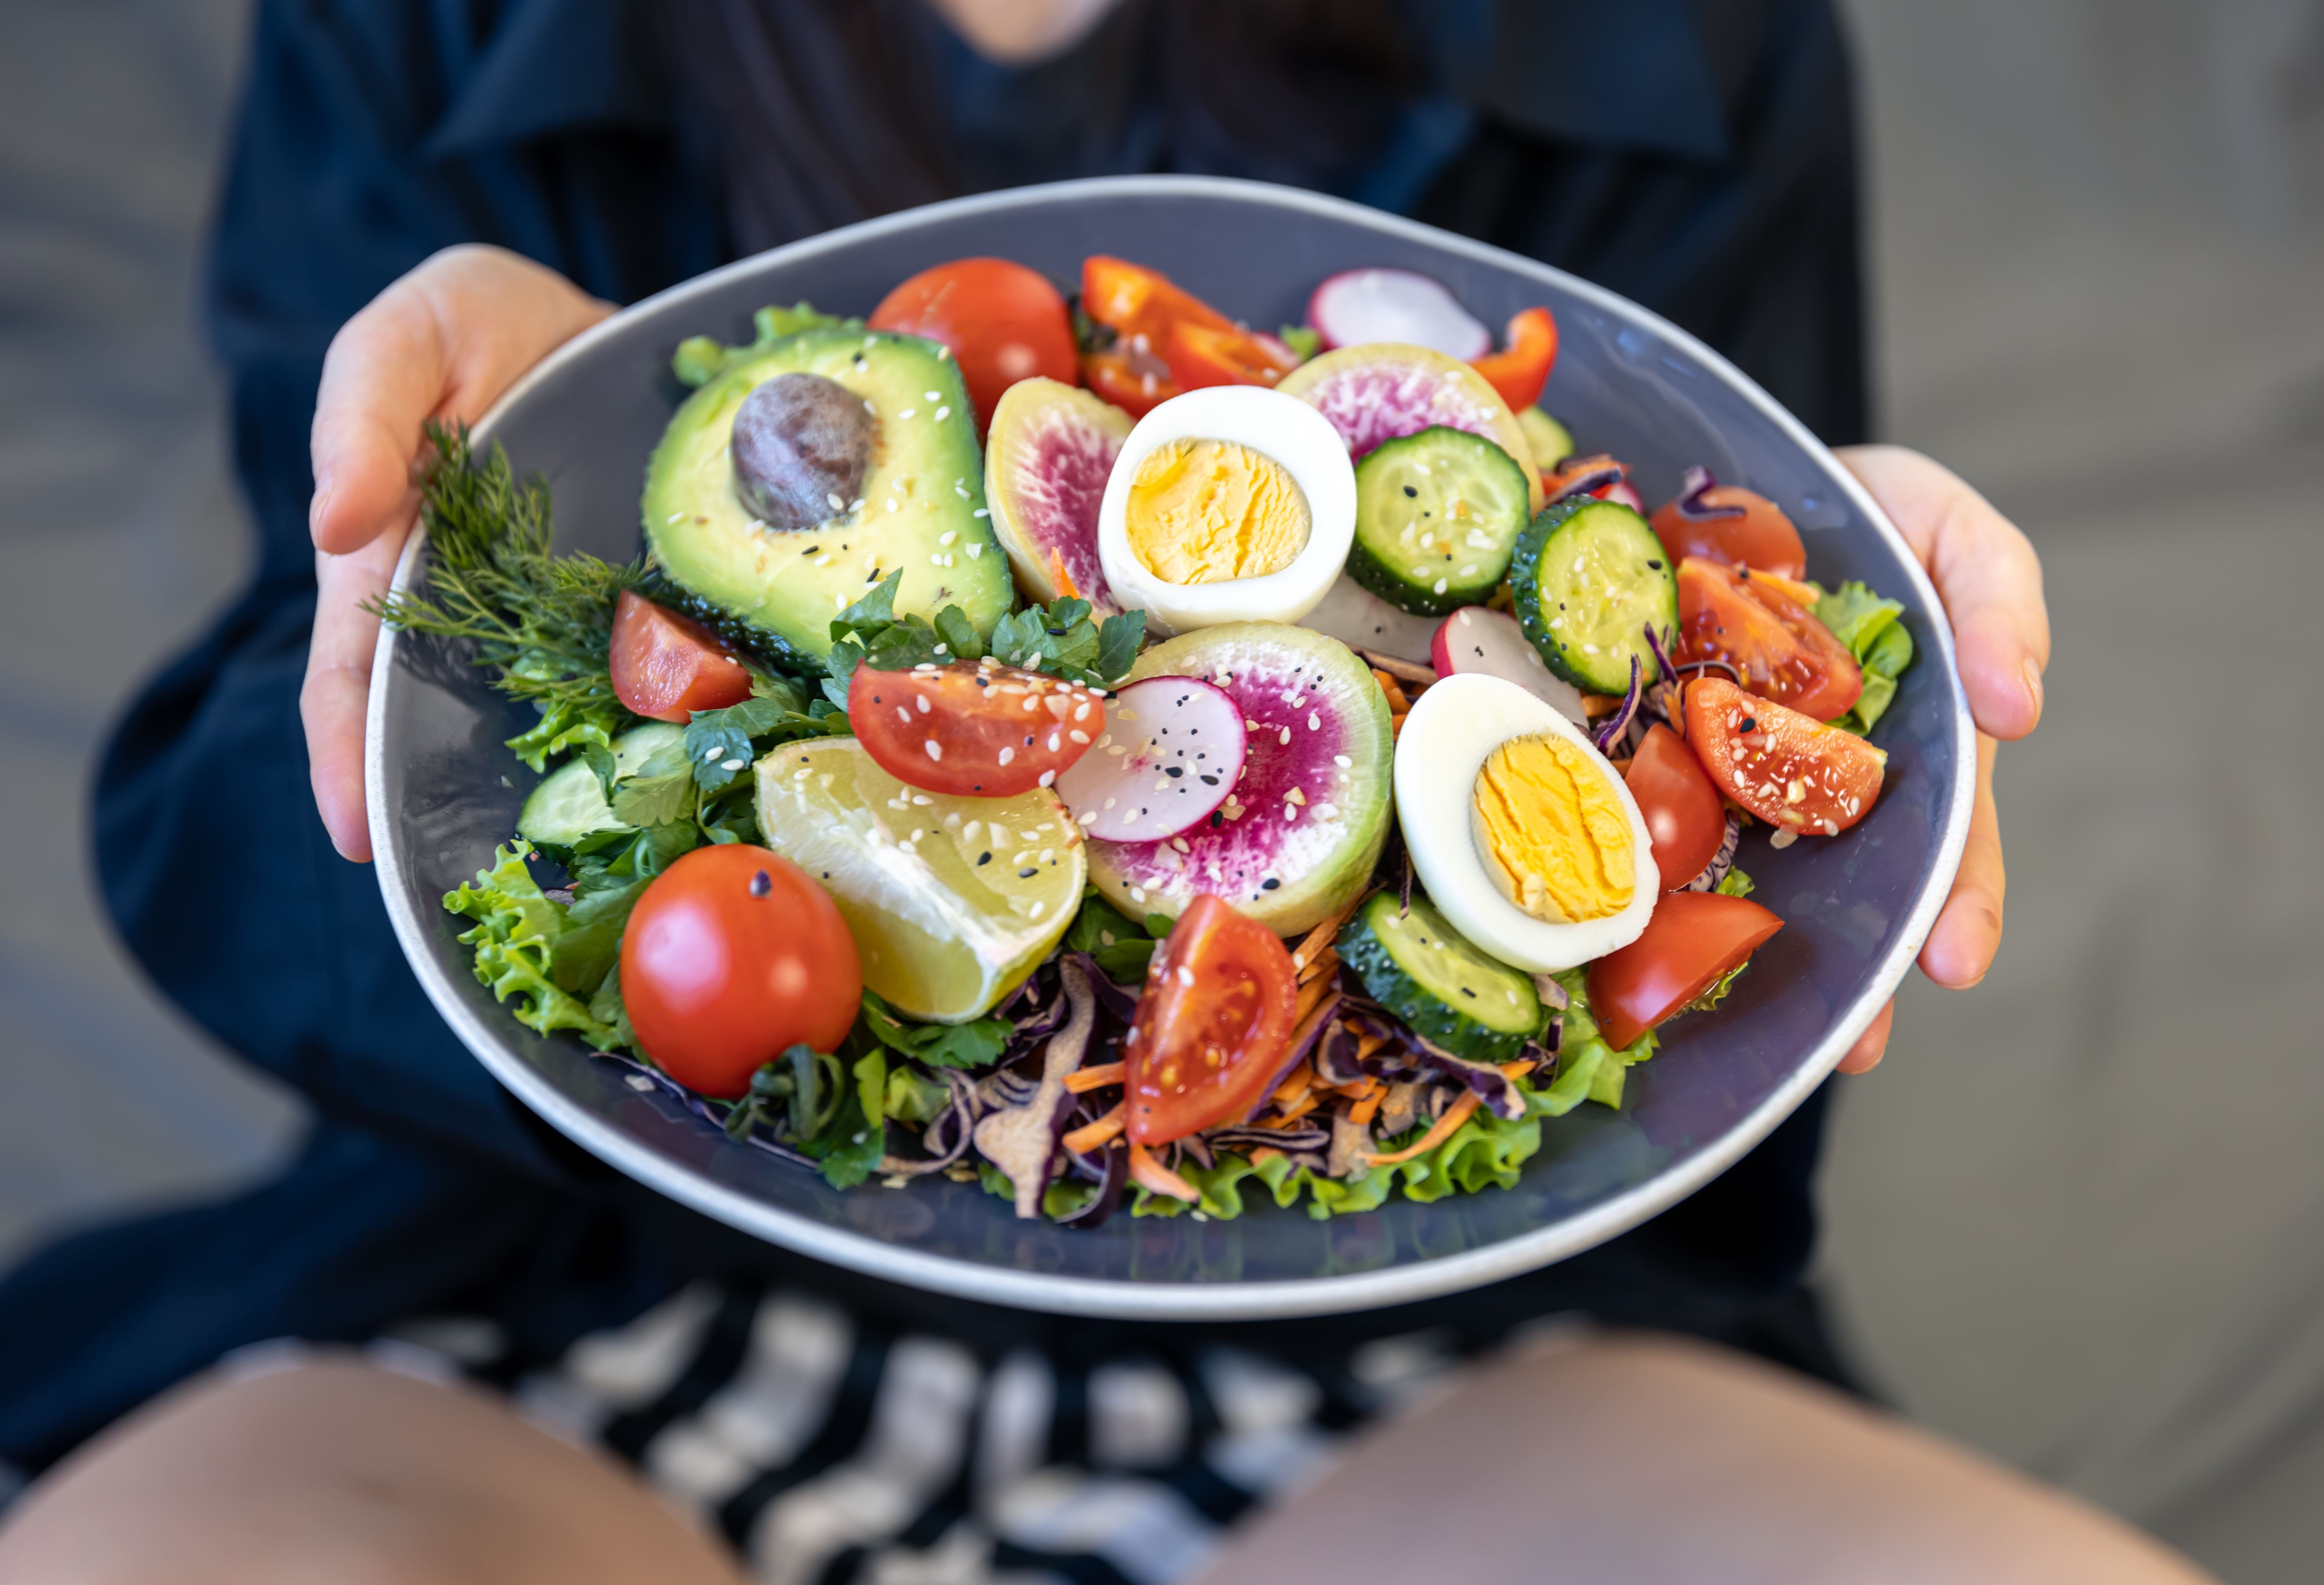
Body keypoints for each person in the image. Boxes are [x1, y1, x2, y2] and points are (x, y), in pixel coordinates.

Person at [0, 0, 2207, 1580]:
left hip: (1417, 1338)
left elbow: (1675, 1006)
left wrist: (1771, 609)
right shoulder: (434, 26)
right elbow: (224, 845)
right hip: (578, 1280)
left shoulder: (1670, 37)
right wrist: (491, 596)